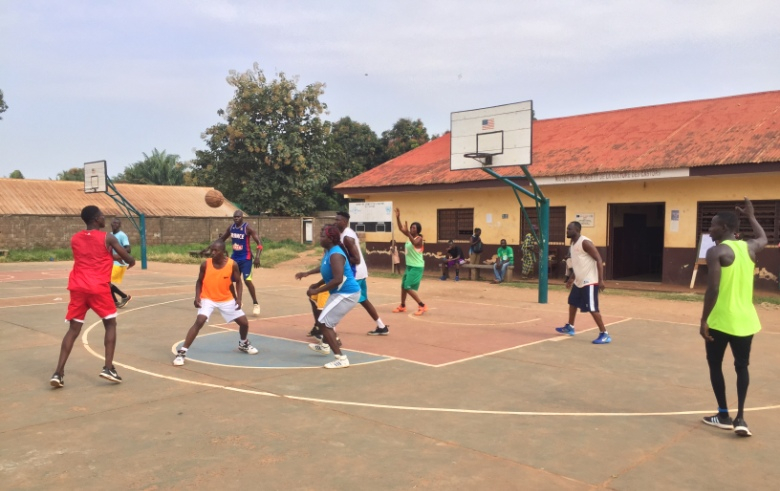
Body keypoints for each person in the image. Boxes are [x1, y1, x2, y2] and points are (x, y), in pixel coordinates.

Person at [700, 197, 767, 437]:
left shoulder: (716, 251)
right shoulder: (748, 247)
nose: (710, 229)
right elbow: (764, 239)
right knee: (742, 367)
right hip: (745, 320)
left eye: (713, 225)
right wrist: (751, 216)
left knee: (715, 365)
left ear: (725, 228)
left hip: (719, 320)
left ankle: (723, 414)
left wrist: (703, 320)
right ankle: (740, 418)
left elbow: (713, 289)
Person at [50, 205, 136, 388]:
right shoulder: (108, 237)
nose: (105, 219)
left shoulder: (75, 238)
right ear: (96, 219)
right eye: (103, 216)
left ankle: (58, 373)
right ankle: (107, 367)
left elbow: (92, 255)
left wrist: (112, 257)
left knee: (73, 330)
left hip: (78, 287)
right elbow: (127, 258)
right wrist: (131, 261)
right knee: (110, 324)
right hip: (97, 287)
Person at [173, 240, 258, 366]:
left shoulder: (232, 264)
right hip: (208, 298)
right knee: (199, 321)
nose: (212, 252)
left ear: (223, 252)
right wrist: (197, 297)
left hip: (227, 299)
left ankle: (243, 343)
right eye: (211, 250)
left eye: (215, 250)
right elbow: (199, 281)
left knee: (244, 323)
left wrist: (239, 298)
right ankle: (182, 352)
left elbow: (238, 282)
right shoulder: (205, 265)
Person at [305, 225, 361, 368]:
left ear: (330, 238)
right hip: (338, 293)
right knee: (323, 320)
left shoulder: (336, 254)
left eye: (322, 236)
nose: (320, 238)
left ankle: (341, 359)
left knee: (324, 323)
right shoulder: (330, 252)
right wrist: (317, 285)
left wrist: (316, 291)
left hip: (347, 294)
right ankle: (325, 346)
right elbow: (327, 273)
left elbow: (337, 279)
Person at [334, 211, 390, 336]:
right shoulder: (343, 234)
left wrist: (339, 259)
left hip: (355, 273)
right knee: (363, 300)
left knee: (341, 299)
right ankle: (381, 326)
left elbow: (356, 259)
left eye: (338, 220)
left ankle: (330, 329)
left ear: (344, 221)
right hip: (359, 272)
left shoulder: (347, 237)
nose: (335, 222)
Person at [554, 221, 610, 344]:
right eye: (567, 229)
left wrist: (601, 280)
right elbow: (578, 264)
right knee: (572, 302)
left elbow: (599, 259)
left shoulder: (585, 242)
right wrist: (571, 278)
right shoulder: (572, 244)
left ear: (577, 230)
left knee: (592, 308)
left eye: (569, 229)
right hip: (579, 281)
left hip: (589, 281)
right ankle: (570, 326)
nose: (567, 231)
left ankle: (604, 333)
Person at [209, 210, 263, 316]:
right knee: (228, 281)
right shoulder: (231, 228)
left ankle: (256, 303)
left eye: (238, 217)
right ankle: (237, 301)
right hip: (235, 258)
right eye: (234, 217)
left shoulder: (247, 228)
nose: (236, 218)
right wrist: (212, 246)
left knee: (247, 280)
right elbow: (222, 239)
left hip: (246, 258)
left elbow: (259, 242)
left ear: (242, 217)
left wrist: (257, 257)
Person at [393, 208, 428, 316]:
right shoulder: (409, 236)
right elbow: (400, 228)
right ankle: (403, 306)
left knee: (408, 287)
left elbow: (414, 242)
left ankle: (422, 305)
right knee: (403, 286)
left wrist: (408, 233)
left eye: (414, 228)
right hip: (409, 266)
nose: (411, 229)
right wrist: (398, 217)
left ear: (417, 230)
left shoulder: (419, 238)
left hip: (417, 267)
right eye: (411, 227)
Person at [109, 217, 132, 308]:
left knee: (106, 283)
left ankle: (124, 296)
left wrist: (120, 253)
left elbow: (128, 249)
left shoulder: (122, 235)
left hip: (119, 263)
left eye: (116, 223)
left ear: (119, 225)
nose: (114, 224)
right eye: (113, 223)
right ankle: (115, 301)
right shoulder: (110, 235)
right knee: (106, 283)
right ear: (111, 224)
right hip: (111, 262)